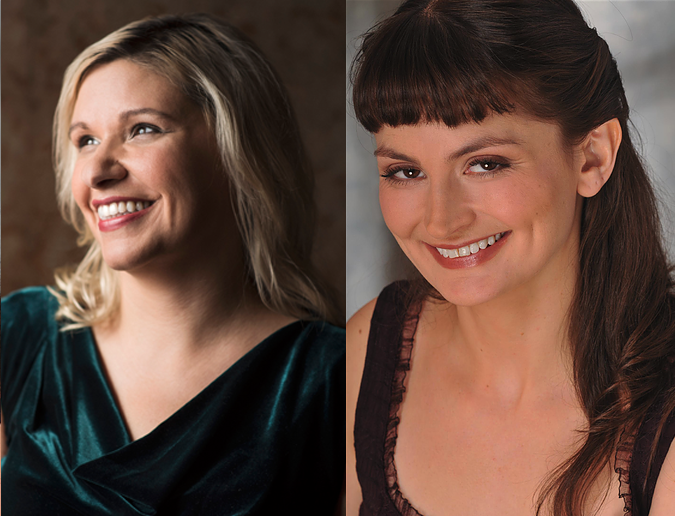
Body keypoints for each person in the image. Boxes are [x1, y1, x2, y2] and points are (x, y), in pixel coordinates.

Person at [1, 14, 344, 515]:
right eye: (85, 141)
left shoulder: (334, 380)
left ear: (235, 150)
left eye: (141, 129)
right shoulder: (17, 338)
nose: (98, 171)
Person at [346, 1, 675, 515]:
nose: (440, 221)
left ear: (592, 157)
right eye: (406, 172)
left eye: (485, 163)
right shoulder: (364, 352)